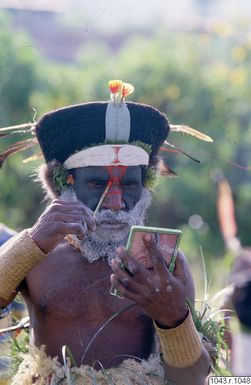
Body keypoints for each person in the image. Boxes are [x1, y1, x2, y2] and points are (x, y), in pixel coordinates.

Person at [0, 80, 212, 385]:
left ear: (145, 187)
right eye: (97, 184)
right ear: (65, 185)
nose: (116, 203)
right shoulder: (36, 255)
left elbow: (193, 381)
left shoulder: (165, 267)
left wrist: (173, 318)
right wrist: (30, 244)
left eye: (128, 185)